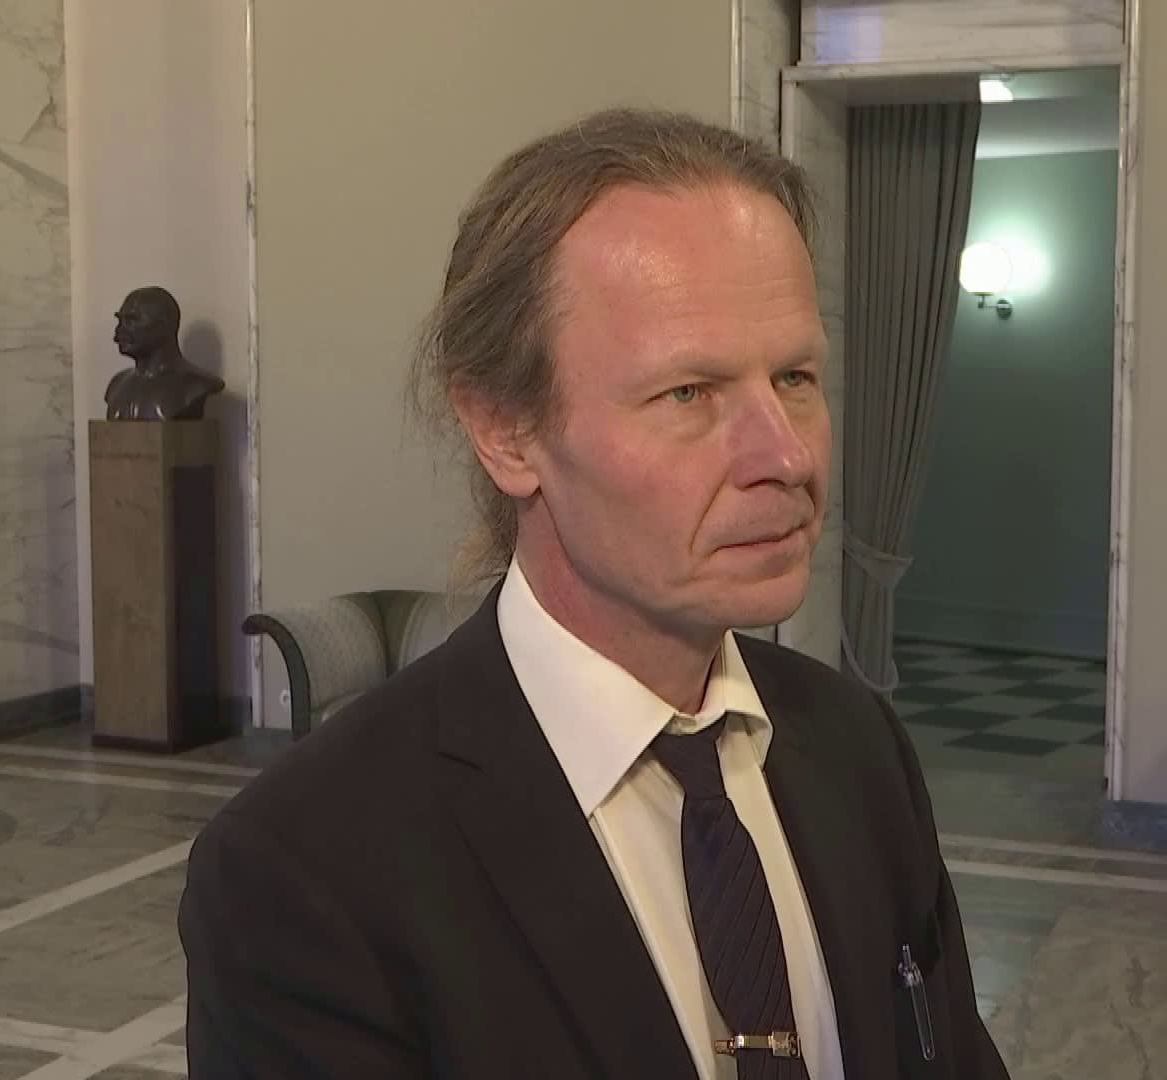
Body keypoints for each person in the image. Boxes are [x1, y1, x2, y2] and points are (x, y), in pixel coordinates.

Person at [178, 108, 1008, 1079]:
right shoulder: (305, 869)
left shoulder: (859, 747)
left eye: (795, 376)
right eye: (689, 393)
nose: (786, 456)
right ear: (506, 430)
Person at [104, 286, 225, 421]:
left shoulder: (195, 384)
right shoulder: (117, 384)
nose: (119, 330)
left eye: (131, 321)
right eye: (120, 321)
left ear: (163, 325)